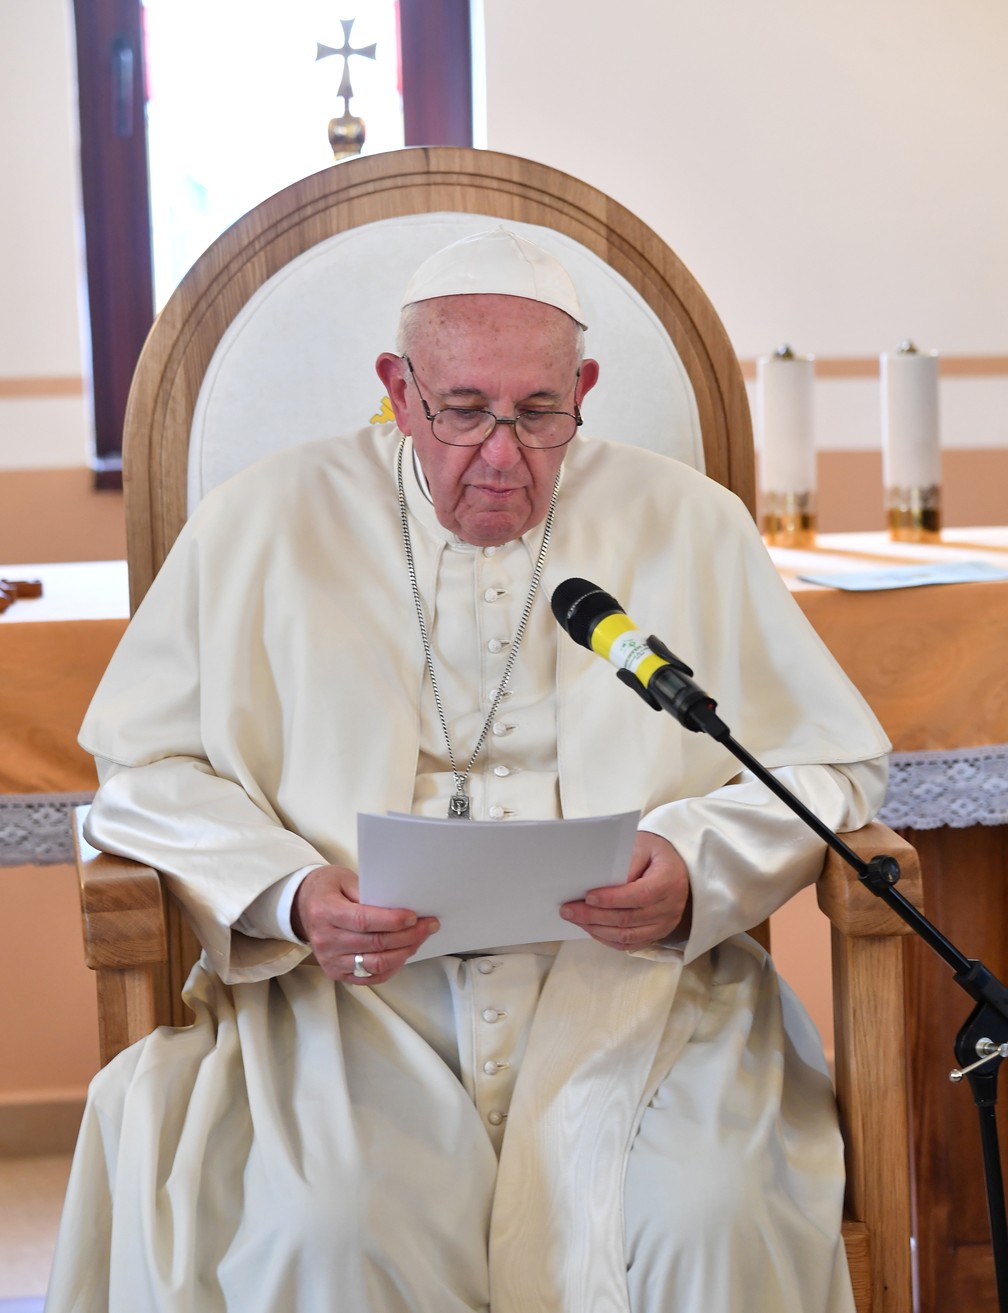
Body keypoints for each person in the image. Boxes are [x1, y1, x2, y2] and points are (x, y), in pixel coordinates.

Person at [46, 227, 890, 1313]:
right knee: (326, 1224)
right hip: (351, 1004)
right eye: (462, 409)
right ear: (398, 389)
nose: (501, 453)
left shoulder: (690, 522)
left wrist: (692, 862)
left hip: (637, 998)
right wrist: (288, 892)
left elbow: (830, 761)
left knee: (710, 1211)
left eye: (539, 412)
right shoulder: (265, 518)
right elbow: (141, 762)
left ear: (583, 389)